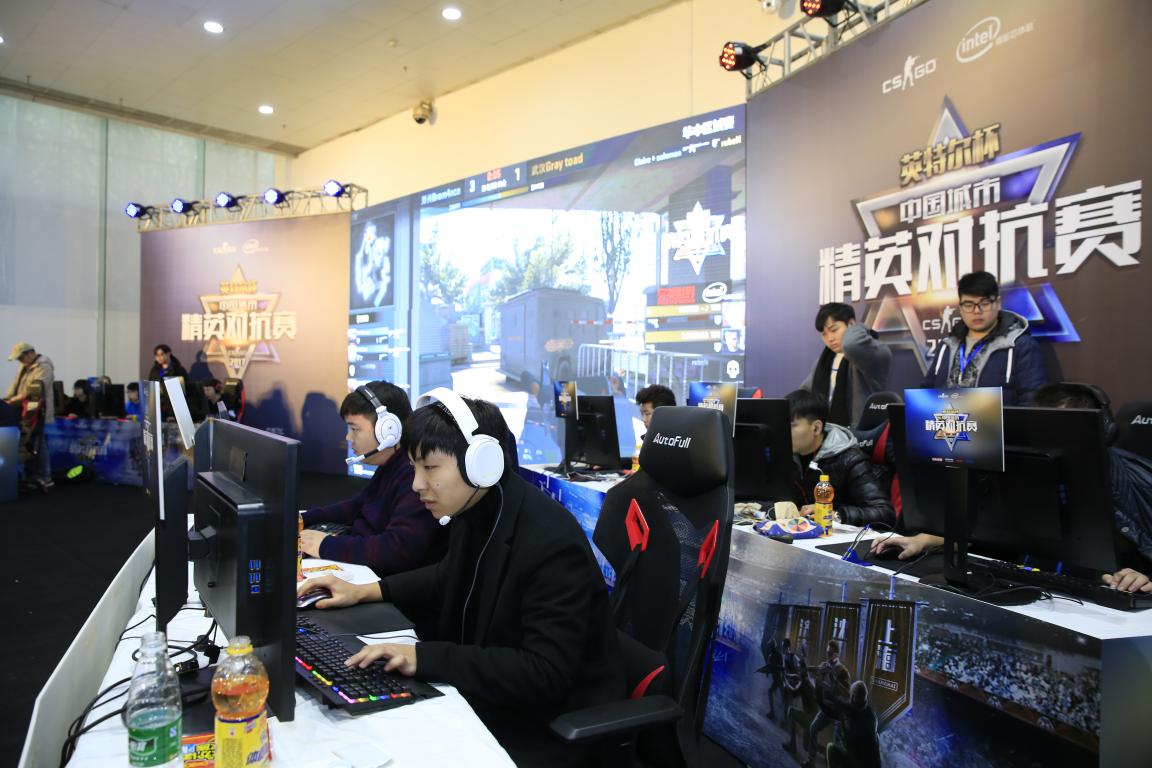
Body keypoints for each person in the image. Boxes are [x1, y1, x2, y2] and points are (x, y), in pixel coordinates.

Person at [299, 391, 624, 766]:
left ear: (481, 463)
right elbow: (448, 575)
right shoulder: (478, 510)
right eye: (414, 468)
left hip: (545, 725)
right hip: (492, 697)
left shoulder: (549, 541)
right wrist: (365, 591)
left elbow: (543, 672)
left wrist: (422, 657)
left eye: (430, 468)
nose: (417, 484)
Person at [873, 381, 1152, 593]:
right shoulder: (1027, 467)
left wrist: (1145, 579)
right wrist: (922, 540)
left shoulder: (1135, 481)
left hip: (1100, 601)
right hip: (1031, 590)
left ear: (1101, 432)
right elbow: (988, 528)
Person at [300, 381, 446, 576]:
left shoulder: (413, 475)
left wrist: (325, 545)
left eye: (355, 429)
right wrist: (304, 518)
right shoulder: (392, 464)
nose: (349, 437)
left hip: (385, 579)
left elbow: (397, 549)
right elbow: (359, 504)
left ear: (388, 430)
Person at [920, 271, 1049, 404]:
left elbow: (1033, 401)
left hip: (998, 418)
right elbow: (926, 394)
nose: (977, 311)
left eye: (984, 303)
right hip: (948, 417)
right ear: (960, 308)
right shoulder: (946, 346)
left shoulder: (1021, 345)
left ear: (998, 303)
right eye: (968, 304)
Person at [787, 388, 894, 527]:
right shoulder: (788, 456)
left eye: (791, 426)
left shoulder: (850, 459)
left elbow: (884, 513)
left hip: (843, 536)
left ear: (816, 428)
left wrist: (836, 515)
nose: (784, 431)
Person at [802, 302, 891, 427]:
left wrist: (858, 327)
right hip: (827, 430)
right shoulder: (824, 361)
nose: (830, 338)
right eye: (824, 334)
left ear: (851, 324)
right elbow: (804, 393)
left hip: (859, 431)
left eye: (834, 330)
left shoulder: (874, 352)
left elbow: (851, 344)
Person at [5, 342, 56, 488]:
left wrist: (12, 401)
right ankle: (31, 475)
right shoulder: (25, 366)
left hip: (38, 411)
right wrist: (6, 400)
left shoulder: (44, 366)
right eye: (18, 359)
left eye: (21, 358)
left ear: (30, 353)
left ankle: (45, 476)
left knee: (39, 443)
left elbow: (34, 390)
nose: (20, 361)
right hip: (24, 410)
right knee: (29, 443)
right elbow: (15, 386)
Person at [806, 640, 851, 765]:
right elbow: (817, 684)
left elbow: (848, 693)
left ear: (836, 654)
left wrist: (835, 681)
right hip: (826, 709)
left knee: (836, 746)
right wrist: (814, 678)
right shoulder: (824, 665)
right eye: (827, 652)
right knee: (813, 728)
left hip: (837, 714)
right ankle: (811, 761)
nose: (828, 655)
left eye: (830, 653)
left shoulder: (843, 671)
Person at [822, 681, 881, 768]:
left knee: (831, 748)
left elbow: (843, 706)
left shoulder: (853, 714)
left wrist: (829, 695)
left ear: (853, 697)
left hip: (857, 762)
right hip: (872, 762)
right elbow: (847, 706)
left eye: (851, 695)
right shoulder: (871, 713)